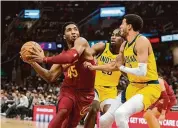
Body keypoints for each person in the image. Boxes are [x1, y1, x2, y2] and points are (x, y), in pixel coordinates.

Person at [85, 14, 161, 128]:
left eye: (122, 23)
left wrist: (121, 68)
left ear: (129, 26)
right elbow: (113, 66)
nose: (120, 26)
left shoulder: (142, 41)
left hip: (148, 87)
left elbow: (142, 72)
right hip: (133, 86)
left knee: (121, 114)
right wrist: (94, 67)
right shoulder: (124, 45)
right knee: (104, 120)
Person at [20, 22, 96, 128]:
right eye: (69, 30)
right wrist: (33, 63)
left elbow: (71, 57)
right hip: (68, 90)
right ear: (64, 36)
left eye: (75, 29)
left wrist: (44, 59)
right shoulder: (62, 56)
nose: (73, 32)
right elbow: (50, 76)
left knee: (70, 125)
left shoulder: (81, 42)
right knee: (63, 111)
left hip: (85, 94)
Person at [84, 28, 124, 128]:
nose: (113, 37)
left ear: (123, 40)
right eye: (112, 34)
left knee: (108, 116)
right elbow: (86, 53)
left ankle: (89, 119)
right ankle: (89, 118)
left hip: (110, 91)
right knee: (94, 108)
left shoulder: (123, 56)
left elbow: (112, 67)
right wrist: (92, 59)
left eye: (117, 35)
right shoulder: (102, 46)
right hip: (95, 87)